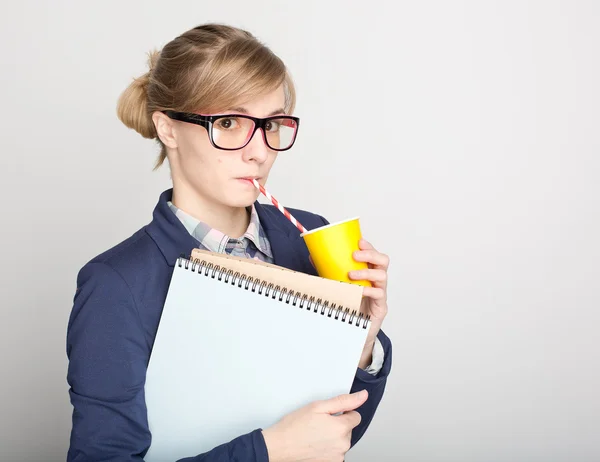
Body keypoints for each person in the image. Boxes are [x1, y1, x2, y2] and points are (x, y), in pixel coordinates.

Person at [66, 23, 392, 462]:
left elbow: (331, 438)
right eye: (228, 122)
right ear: (167, 128)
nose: (259, 151)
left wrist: (363, 343)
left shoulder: (307, 238)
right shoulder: (115, 285)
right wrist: (267, 451)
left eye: (272, 124)